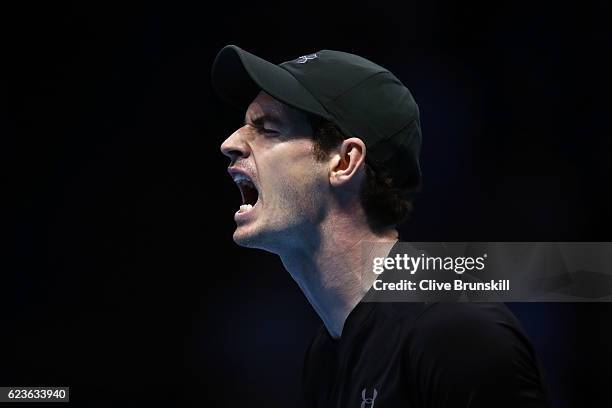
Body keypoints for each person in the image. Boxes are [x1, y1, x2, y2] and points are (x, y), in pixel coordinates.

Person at [211, 45, 550, 407]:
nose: (229, 143)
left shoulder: (457, 332)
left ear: (343, 162)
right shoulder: (325, 358)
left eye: (266, 128)